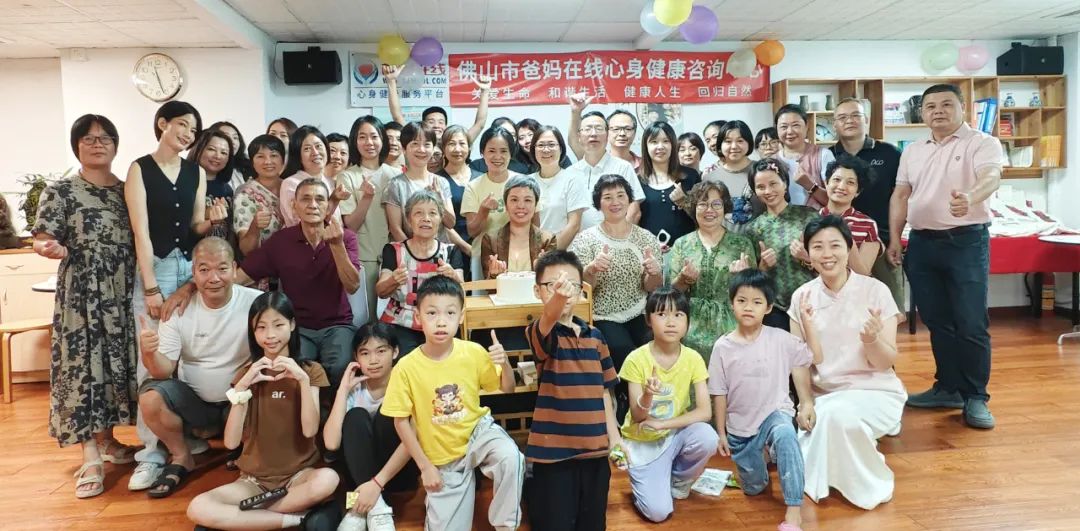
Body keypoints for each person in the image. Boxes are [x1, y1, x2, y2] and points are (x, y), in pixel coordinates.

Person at [33, 114, 138, 499]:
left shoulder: (127, 191)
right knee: (82, 368)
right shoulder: (60, 191)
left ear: (116, 145)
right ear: (76, 145)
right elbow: (42, 239)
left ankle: (107, 440)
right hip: (82, 293)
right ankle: (90, 454)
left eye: (105, 138)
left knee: (112, 365)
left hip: (122, 291)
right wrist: (49, 248)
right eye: (89, 138)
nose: (98, 144)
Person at [170, 179, 362, 390]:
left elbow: (352, 286)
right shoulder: (281, 241)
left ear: (328, 206)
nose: (313, 205)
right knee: (291, 371)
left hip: (337, 324)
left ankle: (332, 411)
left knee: (340, 368)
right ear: (294, 206)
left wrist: (336, 245)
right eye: (305, 199)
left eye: (319, 199)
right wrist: (190, 287)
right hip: (297, 326)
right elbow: (238, 277)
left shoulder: (346, 237)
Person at [888, 83, 1001, 429]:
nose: (938, 111)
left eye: (946, 104)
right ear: (922, 113)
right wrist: (894, 238)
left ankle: (976, 396)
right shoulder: (912, 150)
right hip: (922, 243)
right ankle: (948, 387)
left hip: (966, 242)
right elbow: (901, 195)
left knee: (971, 322)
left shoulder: (981, 142)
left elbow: (991, 177)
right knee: (937, 321)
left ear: (962, 107)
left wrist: (970, 197)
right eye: (930, 106)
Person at [125, 100, 222, 491]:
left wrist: (211, 222)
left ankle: (179, 438)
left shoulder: (195, 171)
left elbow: (196, 225)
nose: (188, 134)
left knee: (183, 355)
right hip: (157, 268)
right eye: (182, 124)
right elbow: (141, 232)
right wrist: (150, 286)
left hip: (189, 266)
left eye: (193, 130)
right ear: (162, 124)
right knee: (151, 357)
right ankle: (150, 453)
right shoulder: (140, 169)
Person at [186, 291, 339, 531]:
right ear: (253, 331)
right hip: (253, 481)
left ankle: (248, 518)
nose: (270, 335)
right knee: (198, 507)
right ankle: (296, 519)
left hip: (298, 477)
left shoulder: (310, 371)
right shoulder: (246, 375)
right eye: (261, 327)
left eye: (278, 325)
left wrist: (302, 380)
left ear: (292, 325)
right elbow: (231, 442)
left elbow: (310, 430)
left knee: (328, 480)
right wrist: (242, 386)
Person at [381, 276, 524, 531]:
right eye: (432, 313)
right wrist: (425, 467)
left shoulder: (473, 351)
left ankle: (505, 526)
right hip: (442, 457)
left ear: (461, 316)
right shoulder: (406, 367)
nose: (441, 321)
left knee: (511, 457)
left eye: (449, 313)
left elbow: (508, 388)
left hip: (478, 433)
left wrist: (504, 363)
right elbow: (400, 422)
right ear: (418, 316)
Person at [789, 215, 906, 510]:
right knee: (833, 416)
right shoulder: (802, 296)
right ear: (808, 253)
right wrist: (805, 402)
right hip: (826, 395)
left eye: (835, 245)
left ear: (848, 247)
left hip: (876, 391)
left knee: (836, 418)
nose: (826, 254)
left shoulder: (876, 291)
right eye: (817, 247)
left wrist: (871, 340)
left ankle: (870, 483)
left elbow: (885, 362)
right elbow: (799, 361)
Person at [137, 237, 262, 498]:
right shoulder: (177, 309)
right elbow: (162, 371)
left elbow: (274, 352)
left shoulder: (257, 304)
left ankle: (247, 454)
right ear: (193, 273)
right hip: (194, 403)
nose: (214, 278)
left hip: (240, 399)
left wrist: (243, 380)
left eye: (222, 268)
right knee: (150, 397)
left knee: (268, 390)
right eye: (204, 270)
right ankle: (182, 456)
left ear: (234, 269)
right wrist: (149, 353)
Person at [710, 269, 818, 531]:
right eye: (742, 300)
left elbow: (815, 356)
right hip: (740, 430)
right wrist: (721, 433)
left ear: (768, 308)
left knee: (786, 434)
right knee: (755, 488)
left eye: (757, 302)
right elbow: (718, 392)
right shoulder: (722, 347)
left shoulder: (780, 339)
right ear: (732, 304)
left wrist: (807, 323)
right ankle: (763, 458)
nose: (748, 307)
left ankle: (794, 510)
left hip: (774, 414)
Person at [524, 251, 622, 531]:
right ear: (538, 291)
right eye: (553, 285)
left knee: (592, 523)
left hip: (595, 453)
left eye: (571, 286)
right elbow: (549, 318)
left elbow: (604, 391)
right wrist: (557, 299)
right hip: (553, 457)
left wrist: (614, 437)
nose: (564, 292)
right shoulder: (540, 332)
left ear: (581, 291)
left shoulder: (596, 337)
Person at [619, 288, 717, 523]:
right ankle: (652, 478)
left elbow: (705, 411)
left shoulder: (693, 358)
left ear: (687, 321)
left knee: (707, 437)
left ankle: (678, 479)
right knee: (658, 513)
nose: (671, 322)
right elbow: (638, 416)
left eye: (678, 315)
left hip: (672, 434)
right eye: (662, 314)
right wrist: (647, 396)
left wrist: (664, 424)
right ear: (648, 320)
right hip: (642, 440)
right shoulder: (636, 359)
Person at [326, 323, 419, 531]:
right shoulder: (354, 388)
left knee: (388, 415)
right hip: (359, 478)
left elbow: (413, 440)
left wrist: (377, 483)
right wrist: (343, 390)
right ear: (356, 357)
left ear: (395, 352)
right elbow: (331, 443)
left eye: (381, 351)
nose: (373, 360)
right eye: (365, 353)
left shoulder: (407, 382)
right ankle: (377, 508)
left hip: (397, 474)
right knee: (355, 417)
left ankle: (361, 508)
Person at [569, 175, 662, 376]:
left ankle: (649, 393)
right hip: (602, 314)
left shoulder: (646, 238)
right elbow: (583, 289)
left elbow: (651, 286)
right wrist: (592, 269)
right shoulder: (585, 240)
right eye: (608, 197)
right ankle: (622, 394)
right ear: (598, 203)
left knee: (653, 347)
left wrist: (654, 272)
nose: (615, 202)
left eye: (621, 195)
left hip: (639, 312)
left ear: (629, 200)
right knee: (623, 350)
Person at [668, 181, 755, 361]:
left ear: (725, 208)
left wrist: (741, 279)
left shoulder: (742, 244)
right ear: (694, 208)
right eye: (703, 204)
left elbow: (754, 292)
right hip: (690, 324)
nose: (710, 210)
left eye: (716, 204)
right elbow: (671, 292)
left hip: (732, 323)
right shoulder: (682, 244)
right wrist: (683, 280)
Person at [830, 97, 904, 310]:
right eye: (842, 117)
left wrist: (895, 240)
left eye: (855, 115)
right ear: (835, 124)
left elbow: (901, 198)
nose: (849, 121)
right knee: (844, 308)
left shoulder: (889, 153)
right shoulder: (829, 155)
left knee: (888, 308)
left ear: (867, 120)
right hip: (837, 244)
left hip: (881, 240)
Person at [376, 190, 467, 357]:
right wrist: (393, 280)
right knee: (408, 359)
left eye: (432, 213)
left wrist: (453, 277)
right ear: (409, 219)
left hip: (440, 322)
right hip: (400, 323)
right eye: (418, 213)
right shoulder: (394, 250)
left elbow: (462, 291)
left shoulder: (451, 251)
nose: (426, 218)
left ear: (440, 219)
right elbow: (381, 291)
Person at [337, 115, 400, 320]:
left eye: (374, 136)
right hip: (364, 257)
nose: (369, 142)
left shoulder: (396, 175)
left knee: (395, 315)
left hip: (396, 256)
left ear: (383, 139)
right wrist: (367, 197)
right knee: (366, 317)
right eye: (362, 137)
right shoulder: (348, 176)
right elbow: (351, 225)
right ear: (354, 141)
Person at [744, 158, 819, 330]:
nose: (768, 191)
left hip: (811, 302)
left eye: (773, 184)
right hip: (773, 308)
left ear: (785, 184)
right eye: (761, 187)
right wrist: (762, 267)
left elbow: (829, 262)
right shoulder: (753, 229)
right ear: (755, 191)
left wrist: (807, 258)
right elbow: (750, 280)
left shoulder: (809, 217)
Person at [567, 94, 644, 228]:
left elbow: (634, 212)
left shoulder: (623, 167)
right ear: (579, 136)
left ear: (607, 135)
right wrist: (576, 112)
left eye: (598, 129)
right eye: (587, 129)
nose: (593, 134)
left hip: (616, 239)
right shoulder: (570, 172)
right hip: (578, 239)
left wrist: (618, 238)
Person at [383, 121, 457, 243]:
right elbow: (395, 229)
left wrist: (440, 199)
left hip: (440, 250)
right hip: (408, 251)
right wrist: (414, 251)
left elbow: (450, 223)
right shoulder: (395, 185)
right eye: (415, 144)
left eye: (427, 144)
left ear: (433, 148)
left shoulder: (441, 182)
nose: (421, 149)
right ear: (404, 149)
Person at [383, 64, 491, 143]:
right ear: (423, 124)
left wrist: (485, 91)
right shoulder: (414, 141)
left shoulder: (456, 144)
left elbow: (479, 124)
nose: (436, 126)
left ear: (446, 126)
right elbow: (397, 116)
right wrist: (391, 81)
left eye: (441, 122)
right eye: (431, 122)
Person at [637, 121, 701, 248]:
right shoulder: (637, 180)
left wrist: (684, 202)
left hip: (687, 250)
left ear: (673, 145)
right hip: (650, 252)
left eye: (666, 141)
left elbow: (704, 216)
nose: (660, 146)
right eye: (654, 142)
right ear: (646, 146)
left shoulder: (691, 176)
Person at [480, 175, 556, 278]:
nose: (521, 206)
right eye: (514, 200)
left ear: (535, 205)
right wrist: (495, 275)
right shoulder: (490, 240)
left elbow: (551, 282)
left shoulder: (547, 240)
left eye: (527, 200)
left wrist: (542, 273)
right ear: (506, 205)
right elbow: (487, 283)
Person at [528, 125, 589, 249]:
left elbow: (574, 225)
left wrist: (550, 253)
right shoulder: (527, 181)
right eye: (541, 145)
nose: (546, 150)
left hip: (564, 253)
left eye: (551, 145)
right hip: (533, 252)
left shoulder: (573, 179)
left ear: (561, 149)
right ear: (534, 149)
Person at [820, 155, 882, 276]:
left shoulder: (867, 225)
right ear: (826, 183)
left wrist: (847, 239)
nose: (841, 187)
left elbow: (862, 274)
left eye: (850, 182)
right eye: (837, 179)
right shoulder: (811, 218)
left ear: (858, 192)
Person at [233, 135, 286, 273]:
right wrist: (255, 227)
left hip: (293, 265)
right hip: (262, 271)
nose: (268, 161)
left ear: (283, 160)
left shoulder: (292, 187)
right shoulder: (245, 194)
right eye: (260, 156)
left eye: (274, 155)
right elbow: (246, 249)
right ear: (252, 162)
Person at [461, 127, 520, 239]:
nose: (498, 157)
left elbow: (535, 226)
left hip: (518, 248)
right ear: (482, 153)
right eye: (492, 151)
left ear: (511, 153)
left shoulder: (523, 183)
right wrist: (483, 211)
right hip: (483, 249)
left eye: (503, 151)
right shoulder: (472, 187)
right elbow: (472, 232)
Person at [279, 126, 342, 228]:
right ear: (298, 156)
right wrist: (333, 200)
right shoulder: (290, 183)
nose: (315, 153)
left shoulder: (330, 182)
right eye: (307, 149)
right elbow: (304, 225)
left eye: (318, 146)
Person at [775, 105, 835, 208]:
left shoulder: (823, 155)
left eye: (796, 125)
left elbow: (835, 201)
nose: (790, 131)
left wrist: (809, 185)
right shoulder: (772, 161)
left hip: (817, 218)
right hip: (782, 218)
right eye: (784, 127)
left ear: (807, 126)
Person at [436, 124, 482, 254]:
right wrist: (466, 247)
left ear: (469, 147)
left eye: (462, 143)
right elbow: (440, 223)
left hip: (482, 246)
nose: (457, 149)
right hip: (451, 248)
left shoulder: (481, 178)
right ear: (443, 148)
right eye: (451, 144)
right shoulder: (436, 180)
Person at [187, 130, 236, 241]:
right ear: (198, 149)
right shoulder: (185, 182)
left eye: (224, 153)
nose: (218, 156)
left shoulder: (227, 189)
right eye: (211, 149)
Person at [208, 120, 252, 190]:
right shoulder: (207, 169)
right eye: (226, 136)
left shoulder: (247, 166)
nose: (233, 142)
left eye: (235, 138)